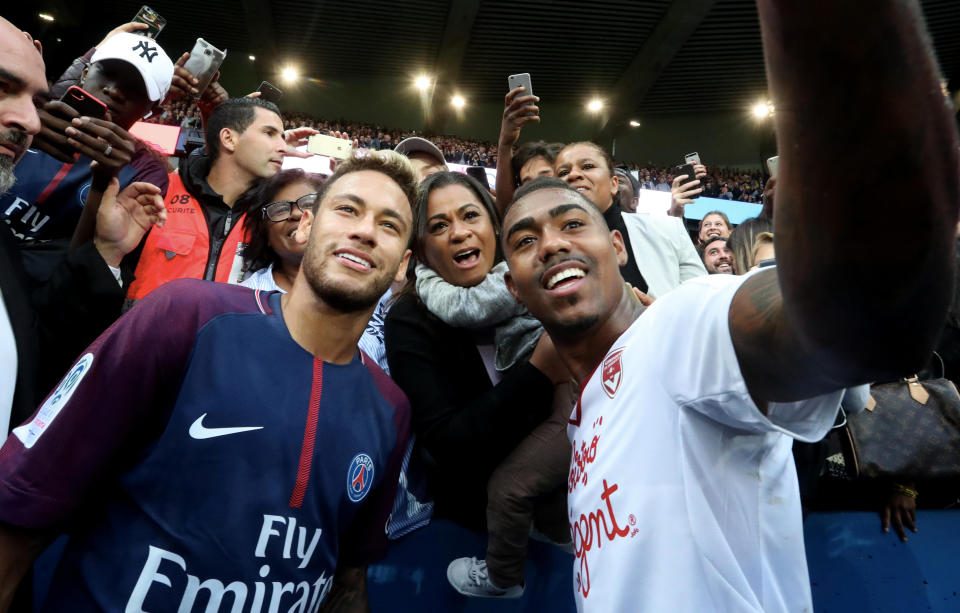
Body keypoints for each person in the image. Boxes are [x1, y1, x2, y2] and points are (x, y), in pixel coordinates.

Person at [498, 0, 958, 608]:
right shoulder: (588, 418)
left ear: (616, 245)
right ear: (514, 288)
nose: (550, 244)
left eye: (569, 224)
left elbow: (863, 307)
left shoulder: (680, 327)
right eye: (525, 240)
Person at [0, 150, 421, 612]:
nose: (364, 231)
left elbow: (349, 581)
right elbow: (26, 502)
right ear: (305, 227)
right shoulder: (187, 316)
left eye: (389, 224)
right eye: (347, 209)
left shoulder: (391, 409)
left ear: (401, 265)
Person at [384, 171, 571, 598]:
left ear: (495, 226)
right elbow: (448, 445)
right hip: (474, 527)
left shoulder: (541, 279)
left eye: (471, 215)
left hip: (581, 517)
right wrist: (539, 369)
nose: (459, 232)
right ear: (424, 251)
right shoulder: (410, 319)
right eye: (439, 225)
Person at [0, 30, 174, 281]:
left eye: (134, 88)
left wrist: (103, 185)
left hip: (35, 300)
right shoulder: (26, 117)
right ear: (84, 73)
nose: (114, 90)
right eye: (108, 73)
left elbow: (88, 265)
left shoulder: (146, 172)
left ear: (152, 110)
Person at [125, 97, 289, 301]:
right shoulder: (160, 191)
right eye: (269, 133)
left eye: (283, 137)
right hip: (144, 330)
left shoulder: (270, 216)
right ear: (229, 139)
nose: (284, 147)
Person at [554, 141, 705, 298]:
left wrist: (660, 315)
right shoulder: (550, 248)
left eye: (587, 166)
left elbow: (701, 300)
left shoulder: (669, 229)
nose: (573, 175)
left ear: (614, 184)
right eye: (563, 172)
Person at [239, 169, 325, 293]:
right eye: (280, 210)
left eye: (308, 204)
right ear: (265, 234)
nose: (296, 214)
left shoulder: (359, 288)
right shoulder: (243, 299)